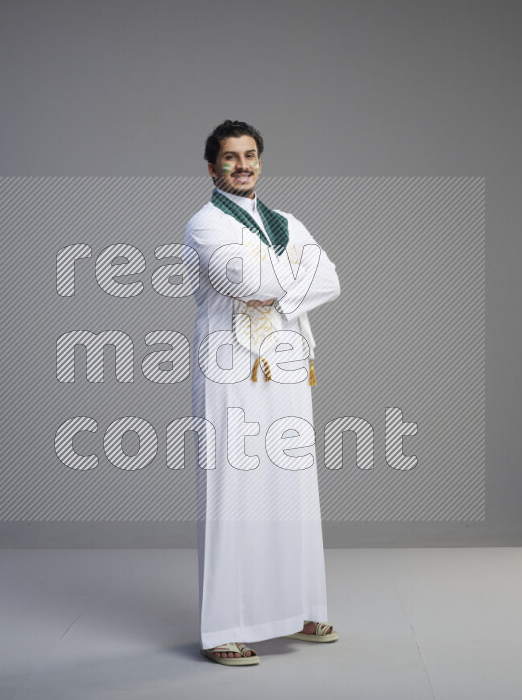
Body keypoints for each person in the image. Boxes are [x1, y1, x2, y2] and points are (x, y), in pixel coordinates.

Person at [182, 120, 341, 666]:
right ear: (212, 167)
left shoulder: (285, 221)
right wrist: (292, 270)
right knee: (234, 492)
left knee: (292, 486)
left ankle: (299, 607)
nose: (243, 165)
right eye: (230, 157)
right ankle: (224, 627)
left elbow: (331, 278)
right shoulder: (204, 224)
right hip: (230, 368)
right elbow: (246, 282)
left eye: (250, 155)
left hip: (287, 363)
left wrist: (280, 279)